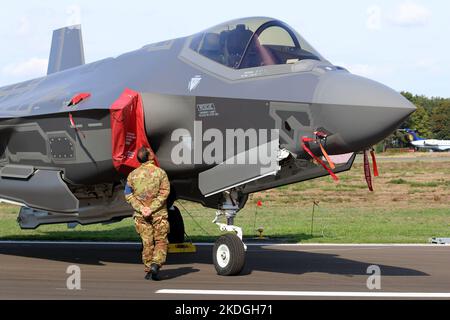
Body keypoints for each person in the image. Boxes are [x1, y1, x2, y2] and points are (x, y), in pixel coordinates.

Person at [124, 147, 170, 281]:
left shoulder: (132, 175)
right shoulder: (160, 173)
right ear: (150, 156)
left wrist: (141, 208)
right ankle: (156, 264)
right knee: (161, 240)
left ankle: (149, 268)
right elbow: (164, 193)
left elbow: (128, 194)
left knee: (147, 243)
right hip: (158, 214)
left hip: (141, 215)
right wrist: (152, 208)